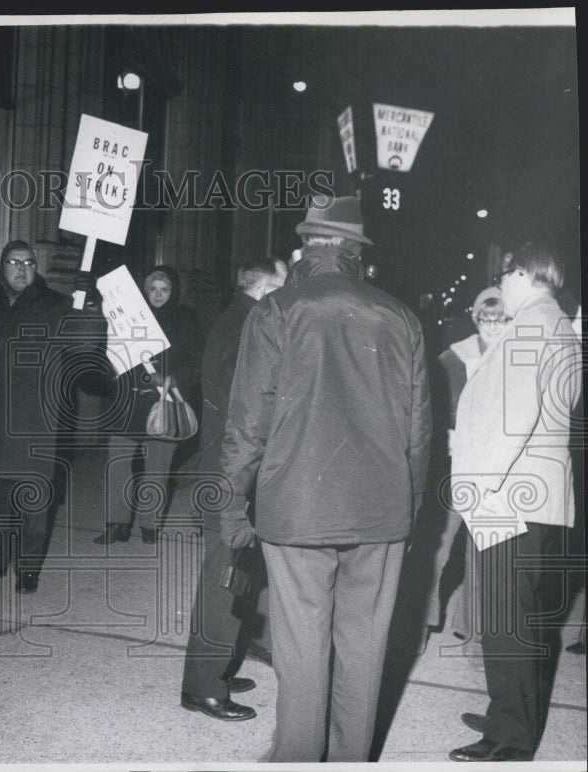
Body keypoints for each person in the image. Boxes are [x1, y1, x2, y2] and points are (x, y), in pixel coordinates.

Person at [219, 196, 431, 762]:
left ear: (307, 248)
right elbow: (419, 432)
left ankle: (296, 758)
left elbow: (247, 422)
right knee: (364, 649)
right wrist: (406, 515)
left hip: (297, 509)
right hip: (381, 510)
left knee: (302, 648)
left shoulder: (276, 311)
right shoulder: (402, 316)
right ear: (356, 252)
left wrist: (231, 505)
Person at [449, 243, 581, 762]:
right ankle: (511, 710)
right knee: (518, 614)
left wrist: (478, 490)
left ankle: (509, 737)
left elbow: (512, 418)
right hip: (537, 493)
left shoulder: (530, 326)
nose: (500, 285)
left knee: (507, 617)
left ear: (523, 273)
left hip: (509, 493)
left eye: (504, 276)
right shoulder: (558, 323)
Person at [0, 240, 104, 593]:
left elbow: (87, 345)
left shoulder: (56, 305)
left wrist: (90, 305)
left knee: (34, 501)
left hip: (36, 419)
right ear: (0, 266)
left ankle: (27, 568)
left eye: (28, 263)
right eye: (13, 262)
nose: (21, 268)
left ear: (35, 268)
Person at [179, 257, 287, 721]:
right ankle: (203, 687)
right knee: (223, 583)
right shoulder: (249, 327)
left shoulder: (236, 319)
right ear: (265, 287)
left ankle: (220, 668)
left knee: (236, 575)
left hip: (229, 469)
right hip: (228, 474)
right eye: (282, 285)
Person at [422, 287, 511, 649]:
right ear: (476, 319)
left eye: (500, 318)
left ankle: (473, 632)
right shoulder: (452, 359)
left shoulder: (517, 358)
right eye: (485, 318)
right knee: (439, 550)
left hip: (499, 469)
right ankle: (421, 627)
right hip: (456, 466)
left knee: (487, 552)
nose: (492, 326)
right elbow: (433, 409)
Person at [93, 265, 204, 544]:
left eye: (164, 289)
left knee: (158, 466)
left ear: (174, 291)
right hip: (127, 401)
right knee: (118, 463)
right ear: (143, 290)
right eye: (152, 288)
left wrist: (172, 378)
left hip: (163, 399)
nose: (157, 295)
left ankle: (149, 525)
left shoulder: (184, 319)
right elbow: (105, 354)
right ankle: (115, 525)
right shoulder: (127, 318)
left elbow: (196, 364)